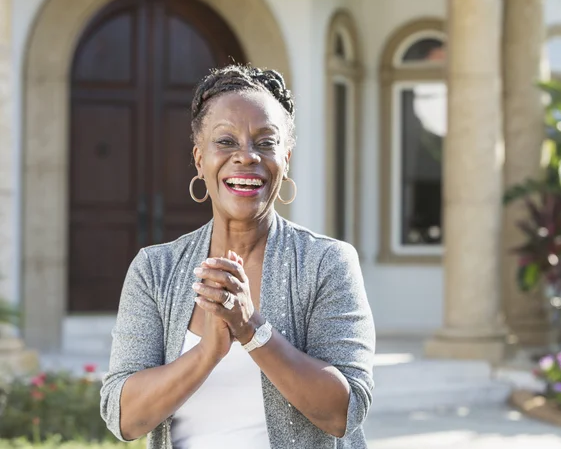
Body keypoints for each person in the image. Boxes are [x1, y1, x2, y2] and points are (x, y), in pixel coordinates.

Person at [100, 64, 376, 449]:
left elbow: (344, 412)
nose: (246, 156)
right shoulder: (156, 270)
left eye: (266, 142)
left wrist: (250, 329)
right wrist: (207, 353)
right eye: (226, 142)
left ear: (286, 159)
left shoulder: (325, 263)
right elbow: (124, 418)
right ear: (200, 159)